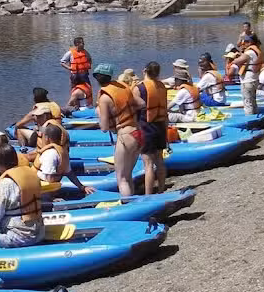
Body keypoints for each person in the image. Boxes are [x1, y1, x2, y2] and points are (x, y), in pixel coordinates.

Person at [94, 63, 145, 197]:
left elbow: (104, 128)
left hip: (125, 136)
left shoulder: (104, 98)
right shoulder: (123, 87)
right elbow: (141, 103)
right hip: (138, 132)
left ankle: (127, 204)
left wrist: (101, 114)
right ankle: (132, 201)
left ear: (97, 78)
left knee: (121, 178)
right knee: (128, 175)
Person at [132, 61, 168, 195]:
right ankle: (161, 189)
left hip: (146, 127)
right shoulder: (162, 86)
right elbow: (165, 111)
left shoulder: (139, 88)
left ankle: (148, 195)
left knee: (148, 164)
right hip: (160, 126)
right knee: (159, 160)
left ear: (144, 71)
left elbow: (132, 109)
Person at [34, 123, 94, 194]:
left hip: (40, 188)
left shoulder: (50, 154)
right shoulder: (63, 152)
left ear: (47, 138)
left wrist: (50, 196)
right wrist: (81, 187)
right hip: (45, 185)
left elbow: (49, 179)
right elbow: (69, 173)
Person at [229, 34, 264, 115]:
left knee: (247, 102)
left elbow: (237, 61)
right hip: (254, 78)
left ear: (250, 42)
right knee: (253, 101)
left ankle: (250, 118)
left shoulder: (249, 52)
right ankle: (255, 116)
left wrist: (234, 58)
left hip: (248, 80)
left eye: (245, 42)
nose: (243, 44)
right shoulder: (257, 51)